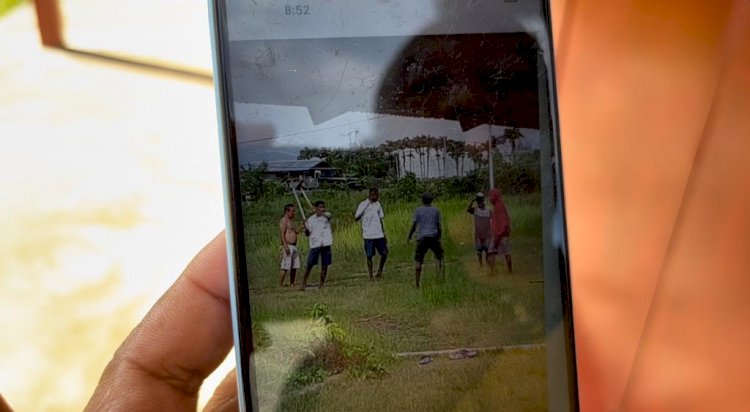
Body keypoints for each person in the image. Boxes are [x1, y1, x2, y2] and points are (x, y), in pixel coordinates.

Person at [407, 192, 444, 288]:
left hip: (422, 237)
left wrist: (409, 235)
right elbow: (439, 226)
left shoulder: (418, 210)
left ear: (422, 200)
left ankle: (417, 283)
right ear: (431, 200)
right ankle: (439, 278)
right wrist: (439, 237)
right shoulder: (436, 211)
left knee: (418, 260)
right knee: (439, 256)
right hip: (433, 236)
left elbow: (414, 225)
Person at [354, 188, 388, 280]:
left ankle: (380, 271)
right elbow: (356, 217)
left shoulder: (378, 204)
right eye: (375, 195)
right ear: (370, 195)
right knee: (369, 255)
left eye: (377, 195)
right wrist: (366, 206)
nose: (377, 196)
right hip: (368, 234)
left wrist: (384, 233)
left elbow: (381, 219)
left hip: (379, 234)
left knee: (384, 253)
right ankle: (370, 275)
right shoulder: (363, 204)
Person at [301, 200, 333, 290]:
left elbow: (328, 216)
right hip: (315, 244)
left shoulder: (327, 216)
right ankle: (303, 283)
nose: (322, 209)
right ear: (316, 208)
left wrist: (320, 212)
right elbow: (307, 234)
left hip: (326, 243)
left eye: (323, 207)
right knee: (310, 264)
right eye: (320, 207)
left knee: (325, 265)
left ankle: (321, 284)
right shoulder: (310, 219)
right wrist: (305, 227)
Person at [487, 188, 512, 275]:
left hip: (500, 234)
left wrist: (498, 234)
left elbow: (503, 222)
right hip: (499, 233)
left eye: (490, 196)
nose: (489, 198)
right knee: (504, 252)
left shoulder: (499, 206)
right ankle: (507, 271)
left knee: (492, 252)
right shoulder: (498, 205)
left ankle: (492, 271)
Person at [278, 203, 302, 287]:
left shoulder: (291, 222)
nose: (294, 213)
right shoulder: (284, 221)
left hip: (294, 246)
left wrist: (303, 225)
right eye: (292, 211)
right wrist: (285, 246)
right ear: (287, 211)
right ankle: (280, 284)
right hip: (287, 245)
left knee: (294, 266)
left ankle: (292, 282)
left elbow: (296, 231)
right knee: (285, 266)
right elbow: (282, 234)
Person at [467, 192, 492, 268]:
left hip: (487, 234)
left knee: (487, 251)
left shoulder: (488, 210)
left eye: (480, 200)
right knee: (479, 251)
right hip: (478, 235)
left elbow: (494, 219)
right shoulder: (475, 210)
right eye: (478, 201)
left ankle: (488, 264)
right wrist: (472, 201)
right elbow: (468, 210)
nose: (479, 202)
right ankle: (481, 265)